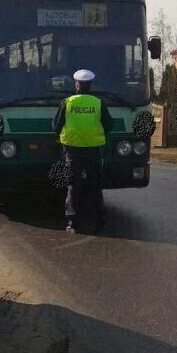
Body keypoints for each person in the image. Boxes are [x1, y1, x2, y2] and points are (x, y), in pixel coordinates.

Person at [52, 69, 112, 234]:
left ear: (77, 85)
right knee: (95, 186)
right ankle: (99, 220)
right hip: (93, 150)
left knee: (73, 185)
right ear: (90, 85)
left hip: (72, 151)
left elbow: (56, 126)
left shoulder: (67, 103)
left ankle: (72, 222)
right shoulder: (98, 103)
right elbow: (109, 125)